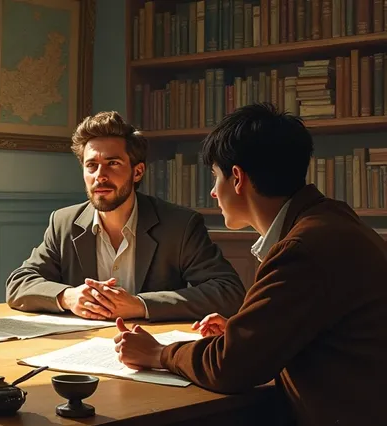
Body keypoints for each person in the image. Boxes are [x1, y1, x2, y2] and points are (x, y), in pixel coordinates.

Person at [113, 103, 387, 425]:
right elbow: (314, 327)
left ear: (238, 178)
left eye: (216, 177)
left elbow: (231, 368)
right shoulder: (329, 221)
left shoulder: (302, 250)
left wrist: (157, 353)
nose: (214, 193)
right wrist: (241, 331)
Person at [6, 111, 245, 322]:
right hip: (79, 347)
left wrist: (140, 305)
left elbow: (228, 292)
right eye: (91, 165)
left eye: (113, 163)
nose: (100, 175)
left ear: (137, 171)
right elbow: (19, 284)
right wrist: (68, 296)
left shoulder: (180, 225)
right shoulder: (64, 222)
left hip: (150, 351)